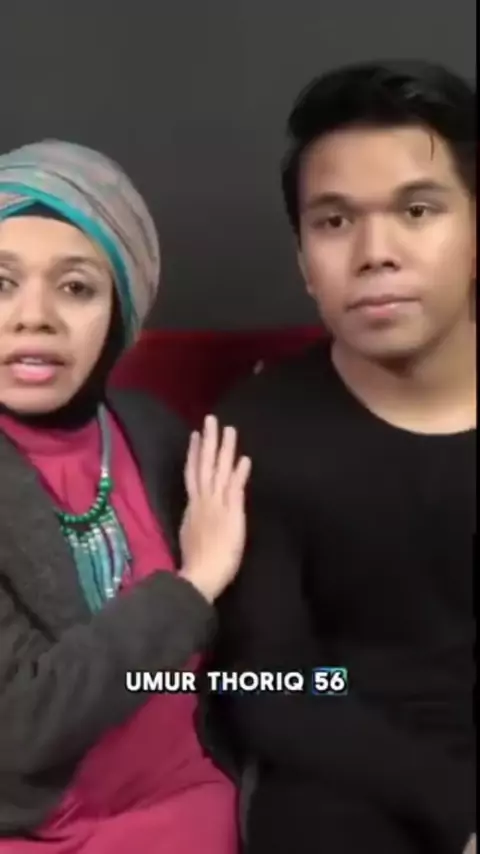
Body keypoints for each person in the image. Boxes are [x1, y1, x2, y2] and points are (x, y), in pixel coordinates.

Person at [210, 61, 476, 853]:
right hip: (348, 766)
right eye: (333, 222)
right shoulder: (255, 430)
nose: (374, 253)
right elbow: (272, 686)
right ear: (303, 261)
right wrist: (460, 811)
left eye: (417, 210)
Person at [0, 139, 251, 853]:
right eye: (2, 283)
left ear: (120, 311)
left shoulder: (155, 436)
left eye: (76, 287)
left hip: (187, 796)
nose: (33, 316)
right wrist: (193, 583)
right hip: (33, 825)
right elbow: (22, 726)